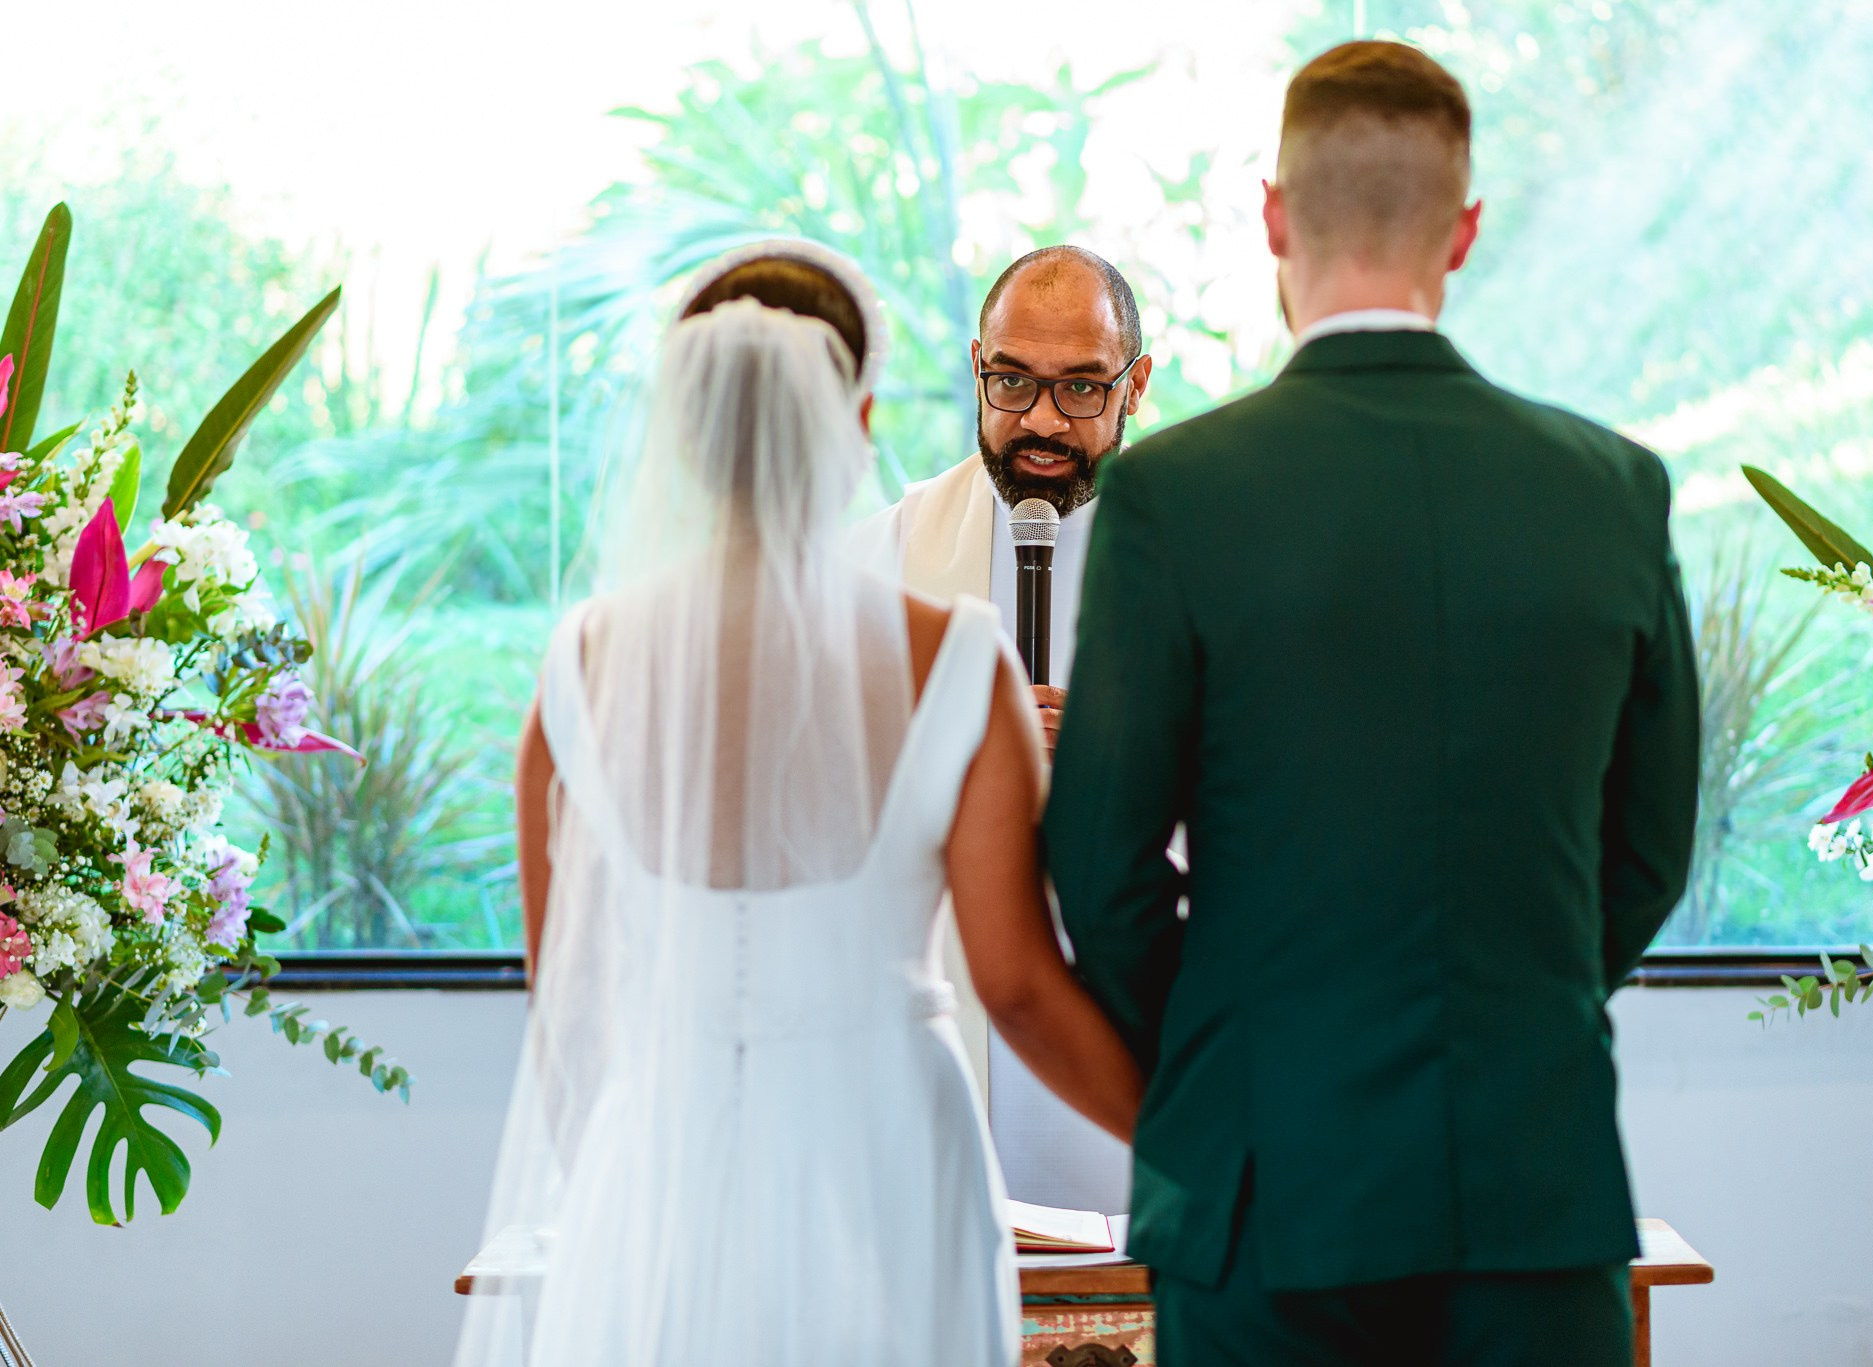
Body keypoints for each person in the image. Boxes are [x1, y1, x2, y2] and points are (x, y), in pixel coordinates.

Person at [1044, 40, 1700, 1367]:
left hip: (1264, 1189)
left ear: (1274, 215)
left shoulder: (1179, 495)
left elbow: (1099, 862)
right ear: (1461, 232)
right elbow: (1646, 850)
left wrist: (1227, 1035)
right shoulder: (1613, 489)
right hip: (1536, 1187)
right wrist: (1514, 993)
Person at [455, 241, 1143, 1367]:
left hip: (658, 1154)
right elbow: (1014, 984)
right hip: (889, 1156)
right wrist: (1193, 1141)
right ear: (858, 417)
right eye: (1012, 379)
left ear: (680, 424)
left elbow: (568, 1004)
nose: (1042, 415)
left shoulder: (578, 662)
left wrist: (631, 1173)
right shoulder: (948, 657)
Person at [852, 245, 1152, 1215]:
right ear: (977, 363)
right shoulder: (881, 560)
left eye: (1079, 389)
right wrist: (957, 753)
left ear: (1134, 385)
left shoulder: (1207, 557)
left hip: (1133, 1049)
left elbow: (1279, 802)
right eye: (1012, 381)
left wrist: (1124, 756)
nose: (1038, 420)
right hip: (942, 1044)